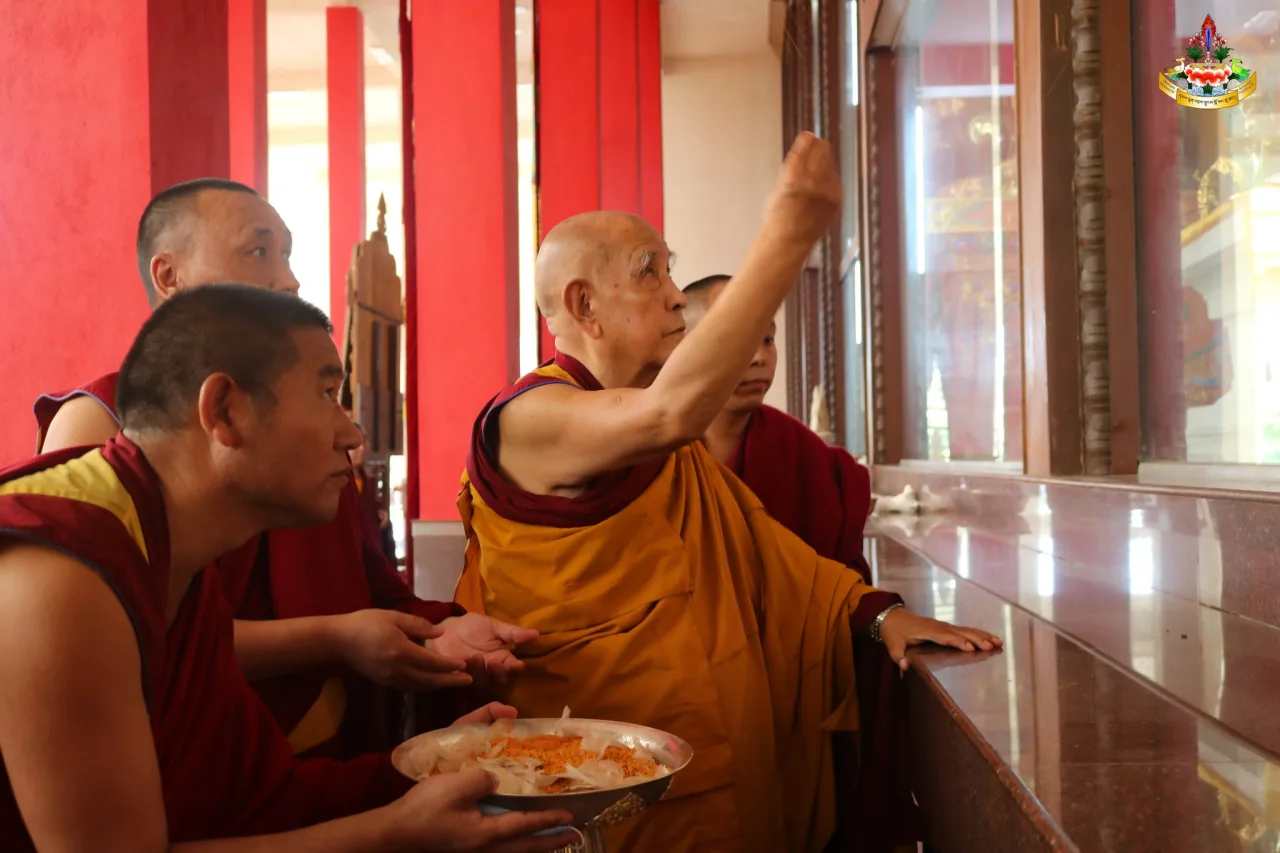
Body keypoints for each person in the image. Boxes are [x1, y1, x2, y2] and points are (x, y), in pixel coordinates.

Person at [454, 133, 1001, 852]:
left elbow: (773, 559)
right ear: (583, 305)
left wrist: (874, 614)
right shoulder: (528, 417)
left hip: (714, 767)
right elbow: (670, 412)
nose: (674, 295)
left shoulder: (670, 455)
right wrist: (789, 234)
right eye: (651, 273)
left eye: (670, 270)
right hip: (595, 780)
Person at [0, 285, 574, 851]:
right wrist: (395, 834)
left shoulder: (178, 558)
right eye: (326, 393)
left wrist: (426, 769)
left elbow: (250, 804)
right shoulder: (60, 575)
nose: (352, 435)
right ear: (225, 411)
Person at [34, 178, 527, 758]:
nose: (289, 279)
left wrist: (439, 633)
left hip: (326, 757)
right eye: (259, 250)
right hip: (190, 760)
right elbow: (110, 638)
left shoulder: (305, 431)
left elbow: (368, 589)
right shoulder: (103, 424)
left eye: (288, 254)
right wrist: (334, 639)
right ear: (170, 276)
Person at [684, 273, 916, 851]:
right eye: (736, 338)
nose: (758, 357)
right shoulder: (651, 457)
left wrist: (880, 616)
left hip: (789, 704)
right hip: (682, 697)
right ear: (681, 345)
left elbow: (837, 581)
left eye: (766, 339)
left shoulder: (808, 459)